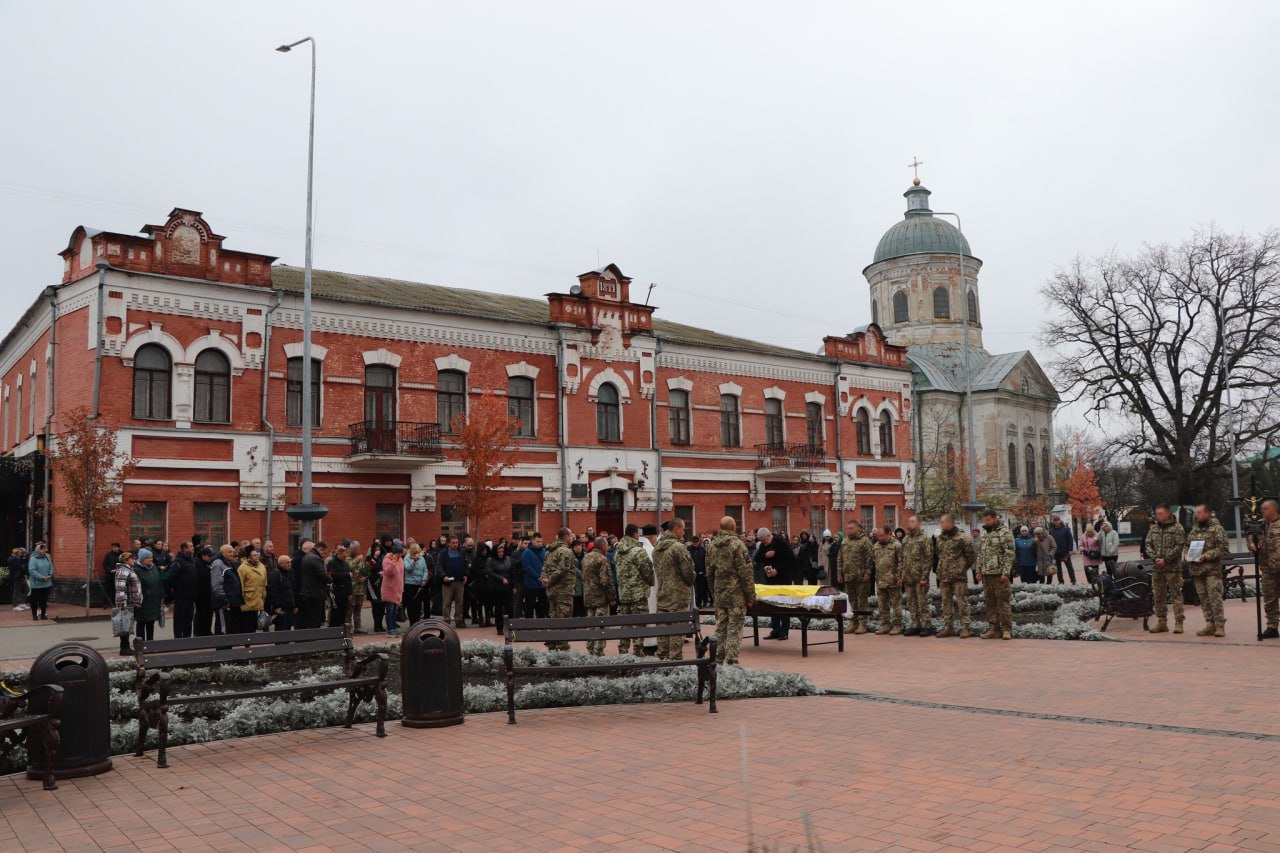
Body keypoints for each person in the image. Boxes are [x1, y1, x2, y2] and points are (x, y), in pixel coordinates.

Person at [705, 516, 756, 666]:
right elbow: (746, 572)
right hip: (736, 595)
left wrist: (714, 593)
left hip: (720, 594)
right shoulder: (737, 545)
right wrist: (750, 596)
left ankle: (717, 659)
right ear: (733, 527)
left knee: (721, 627)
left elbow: (709, 573)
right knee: (735, 627)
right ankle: (732, 661)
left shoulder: (712, 546)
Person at [653, 519, 696, 660]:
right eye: (683, 529)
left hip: (663, 594)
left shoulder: (657, 547)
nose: (684, 533)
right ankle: (675, 659)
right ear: (676, 529)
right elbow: (688, 573)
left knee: (663, 629)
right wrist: (692, 578)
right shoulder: (678, 547)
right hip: (678, 596)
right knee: (677, 629)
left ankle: (662, 657)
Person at [1186, 504, 1229, 637]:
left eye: (1199, 513)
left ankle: (1220, 626)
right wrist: (1187, 555)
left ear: (1207, 513)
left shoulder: (1217, 529)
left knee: (1214, 598)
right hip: (1197, 570)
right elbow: (1187, 545)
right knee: (1203, 599)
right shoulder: (1194, 530)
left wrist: (1207, 556)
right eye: (1196, 513)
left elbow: (1223, 548)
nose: (1196, 515)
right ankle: (1210, 625)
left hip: (1211, 571)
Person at [1144, 503, 1187, 634]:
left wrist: (1166, 560)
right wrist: (1155, 558)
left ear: (1168, 514)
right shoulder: (1154, 529)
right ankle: (1162, 622)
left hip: (1173, 569)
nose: (1157, 516)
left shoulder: (1177, 528)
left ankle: (1179, 623)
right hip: (1157, 569)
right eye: (1157, 514)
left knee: (1176, 596)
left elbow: (1179, 546)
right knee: (1159, 596)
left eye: (1160, 513)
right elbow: (1148, 544)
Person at [614, 524, 654, 654]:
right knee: (639, 625)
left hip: (624, 594)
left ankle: (623, 651)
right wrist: (651, 582)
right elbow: (647, 572)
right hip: (639, 595)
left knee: (625, 625)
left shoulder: (618, 551)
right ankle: (638, 653)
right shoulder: (638, 551)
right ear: (635, 534)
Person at [934, 514, 975, 638]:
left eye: (943, 522)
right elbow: (939, 554)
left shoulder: (963, 538)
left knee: (962, 601)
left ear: (951, 523)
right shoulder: (940, 539)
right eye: (940, 522)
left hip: (958, 576)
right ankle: (948, 627)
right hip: (944, 575)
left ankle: (965, 627)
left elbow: (971, 556)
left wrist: (961, 567)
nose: (941, 525)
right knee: (946, 602)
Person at [977, 510, 1015, 640]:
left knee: (1003, 602)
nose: (985, 522)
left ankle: (1006, 629)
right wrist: (978, 570)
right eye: (984, 520)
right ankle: (994, 628)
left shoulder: (1004, 532)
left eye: (987, 520)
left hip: (999, 574)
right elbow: (981, 554)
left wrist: (1005, 572)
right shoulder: (984, 534)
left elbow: (1009, 553)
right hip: (987, 574)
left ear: (994, 519)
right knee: (990, 602)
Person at [752, 528, 795, 640]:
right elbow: (756, 558)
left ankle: (784, 631)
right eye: (761, 541)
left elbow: (791, 560)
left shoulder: (780, 543)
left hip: (783, 578)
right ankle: (775, 629)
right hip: (770, 579)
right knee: (773, 603)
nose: (764, 543)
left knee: (783, 604)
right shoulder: (763, 546)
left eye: (764, 540)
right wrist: (766, 556)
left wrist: (778, 570)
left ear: (768, 535)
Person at [540, 528, 577, 650]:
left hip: (552, 591)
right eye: (571, 535)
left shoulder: (550, 551)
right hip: (563, 591)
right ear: (566, 536)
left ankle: (552, 644)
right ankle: (562, 647)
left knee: (553, 618)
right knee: (563, 619)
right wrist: (549, 580)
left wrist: (545, 579)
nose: (573, 537)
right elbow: (563, 569)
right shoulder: (565, 551)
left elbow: (544, 568)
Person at [1249, 498, 1280, 640]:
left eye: (1264, 509)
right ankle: (1272, 627)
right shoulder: (1260, 526)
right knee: (1269, 599)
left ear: (1273, 509)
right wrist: (1252, 544)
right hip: (1267, 569)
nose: (1262, 511)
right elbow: (1250, 538)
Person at [838, 521, 873, 635]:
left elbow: (870, 558)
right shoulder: (845, 541)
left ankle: (863, 623)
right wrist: (839, 573)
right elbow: (840, 558)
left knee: (861, 600)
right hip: (848, 576)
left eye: (851, 528)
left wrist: (867, 573)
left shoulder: (865, 541)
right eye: (848, 528)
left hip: (861, 576)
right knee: (852, 600)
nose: (849, 530)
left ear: (858, 528)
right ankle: (854, 622)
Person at [581, 536, 615, 655]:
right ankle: (599, 652)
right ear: (602, 546)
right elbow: (605, 581)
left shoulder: (585, 557)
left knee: (591, 625)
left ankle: (590, 649)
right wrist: (612, 597)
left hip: (588, 597)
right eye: (606, 545)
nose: (608, 547)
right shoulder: (602, 559)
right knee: (601, 626)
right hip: (601, 598)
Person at [899, 517, 932, 635]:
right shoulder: (906, 539)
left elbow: (928, 558)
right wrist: (901, 575)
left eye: (912, 521)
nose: (910, 523)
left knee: (922, 601)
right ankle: (915, 624)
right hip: (908, 576)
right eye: (909, 521)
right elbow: (902, 558)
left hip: (919, 576)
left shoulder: (925, 538)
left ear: (919, 523)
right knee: (911, 602)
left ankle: (926, 625)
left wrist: (924, 576)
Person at [871, 526, 903, 635]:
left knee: (896, 604)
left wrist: (899, 577)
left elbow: (901, 562)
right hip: (880, 581)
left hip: (893, 580)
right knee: (882, 604)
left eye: (882, 536)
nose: (879, 538)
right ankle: (885, 625)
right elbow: (875, 562)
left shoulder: (896, 545)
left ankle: (897, 625)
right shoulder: (876, 546)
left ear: (889, 533)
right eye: (878, 536)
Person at [166, 541, 198, 639]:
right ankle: (179, 638)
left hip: (190, 595)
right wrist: (177, 589)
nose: (193, 548)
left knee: (189, 618)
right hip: (181, 596)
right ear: (184, 549)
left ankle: (187, 637)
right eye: (191, 546)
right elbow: (171, 578)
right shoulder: (178, 562)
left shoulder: (191, 560)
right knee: (180, 618)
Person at [134, 549, 165, 646]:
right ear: (142, 559)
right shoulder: (136, 570)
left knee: (151, 623)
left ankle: (150, 643)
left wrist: (161, 594)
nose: (150, 559)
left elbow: (159, 582)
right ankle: (141, 644)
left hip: (154, 601)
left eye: (151, 557)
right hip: (142, 602)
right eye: (147, 558)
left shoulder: (154, 568)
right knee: (141, 623)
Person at [113, 551, 142, 655]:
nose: (134, 560)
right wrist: (122, 603)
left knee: (127, 624)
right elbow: (121, 587)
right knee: (125, 625)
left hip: (130, 602)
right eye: (132, 558)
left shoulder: (128, 569)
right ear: (126, 560)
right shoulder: (123, 571)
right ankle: (124, 648)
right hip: (126, 603)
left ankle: (126, 647)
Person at [298, 540, 331, 630]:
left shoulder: (306, 557)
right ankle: (312, 639)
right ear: (320, 549)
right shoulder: (315, 558)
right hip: (315, 593)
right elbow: (321, 574)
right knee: (314, 619)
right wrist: (330, 579)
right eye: (324, 553)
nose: (324, 555)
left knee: (308, 618)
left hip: (307, 592)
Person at [210, 544, 241, 635]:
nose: (232, 554)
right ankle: (222, 648)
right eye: (229, 552)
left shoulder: (229, 563)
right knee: (223, 629)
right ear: (223, 553)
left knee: (230, 628)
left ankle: (228, 647)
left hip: (232, 602)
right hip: (223, 604)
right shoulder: (218, 564)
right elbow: (216, 585)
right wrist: (224, 600)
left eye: (232, 551)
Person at [486, 542, 515, 635]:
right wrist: (501, 578)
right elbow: (490, 572)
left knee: (510, 608)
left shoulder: (508, 559)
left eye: (502, 552)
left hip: (508, 588)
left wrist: (514, 586)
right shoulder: (491, 560)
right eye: (499, 552)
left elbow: (511, 572)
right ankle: (499, 627)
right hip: (497, 588)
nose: (501, 554)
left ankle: (510, 627)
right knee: (498, 609)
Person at [439, 536, 469, 626]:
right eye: (453, 543)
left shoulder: (461, 552)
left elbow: (466, 564)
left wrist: (466, 575)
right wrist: (443, 576)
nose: (455, 544)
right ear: (449, 543)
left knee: (459, 602)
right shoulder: (443, 553)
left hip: (459, 581)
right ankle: (446, 621)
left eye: (456, 542)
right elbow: (439, 566)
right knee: (447, 603)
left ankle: (459, 620)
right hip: (448, 582)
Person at [238, 547, 268, 632]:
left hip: (260, 598)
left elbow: (265, 583)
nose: (257, 557)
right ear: (248, 557)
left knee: (258, 624)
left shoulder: (261, 566)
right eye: (254, 555)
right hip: (248, 599)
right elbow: (241, 584)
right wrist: (242, 598)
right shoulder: (242, 568)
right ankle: (247, 643)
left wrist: (264, 595)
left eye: (257, 555)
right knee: (248, 624)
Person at [519, 532, 548, 619]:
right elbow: (527, 567)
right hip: (531, 585)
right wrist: (537, 577)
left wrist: (545, 577)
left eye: (540, 541)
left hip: (542, 585)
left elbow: (546, 565)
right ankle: (529, 626)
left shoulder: (544, 552)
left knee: (542, 606)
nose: (539, 543)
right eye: (537, 541)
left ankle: (541, 625)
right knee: (529, 607)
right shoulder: (526, 552)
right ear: (532, 541)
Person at [403, 543, 431, 626]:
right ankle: (412, 623)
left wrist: (424, 579)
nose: (416, 554)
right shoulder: (406, 559)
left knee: (418, 605)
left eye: (417, 552)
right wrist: (414, 561)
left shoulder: (422, 559)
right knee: (411, 605)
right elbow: (408, 569)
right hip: (410, 584)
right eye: (414, 553)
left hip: (419, 584)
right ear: (411, 552)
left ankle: (417, 622)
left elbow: (425, 570)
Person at [266, 554, 297, 631]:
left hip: (289, 606)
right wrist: (277, 606)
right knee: (281, 628)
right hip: (281, 608)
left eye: (290, 562)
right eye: (287, 562)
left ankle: (286, 642)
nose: (290, 564)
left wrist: (294, 605)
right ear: (281, 564)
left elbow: (292, 590)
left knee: (288, 628)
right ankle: (280, 643)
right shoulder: (275, 574)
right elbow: (273, 591)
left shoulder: (290, 573)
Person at [381, 543, 405, 637]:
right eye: (398, 553)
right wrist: (393, 563)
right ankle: (390, 628)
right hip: (389, 589)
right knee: (390, 610)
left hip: (397, 589)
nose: (400, 555)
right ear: (393, 553)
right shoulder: (387, 560)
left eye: (400, 553)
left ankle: (394, 627)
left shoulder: (401, 560)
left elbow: (401, 575)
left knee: (395, 610)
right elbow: (388, 572)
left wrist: (402, 588)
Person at [26, 542, 53, 621]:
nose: (44, 550)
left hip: (47, 583)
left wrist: (50, 575)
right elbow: (32, 570)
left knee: (44, 600)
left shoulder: (47, 557)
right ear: (38, 550)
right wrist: (41, 577)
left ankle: (43, 614)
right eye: (42, 549)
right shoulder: (33, 559)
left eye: (44, 548)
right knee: (34, 600)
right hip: (36, 584)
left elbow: (51, 566)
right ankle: (34, 615)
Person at [327, 544, 352, 628]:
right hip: (336, 591)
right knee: (335, 613)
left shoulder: (345, 564)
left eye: (346, 555)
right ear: (339, 554)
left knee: (343, 613)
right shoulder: (332, 563)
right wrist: (346, 574)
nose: (345, 557)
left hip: (345, 592)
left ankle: (341, 630)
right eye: (344, 555)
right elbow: (331, 576)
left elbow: (349, 580)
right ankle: (333, 629)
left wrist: (349, 592)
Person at [346, 541, 368, 634]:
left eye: (357, 549)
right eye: (355, 549)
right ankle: (348, 628)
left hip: (360, 588)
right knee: (349, 610)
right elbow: (349, 566)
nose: (356, 550)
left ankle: (358, 627)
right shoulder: (347, 557)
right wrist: (357, 560)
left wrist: (365, 577)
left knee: (358, 609)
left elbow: (364, 569)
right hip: (351, 588)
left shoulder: (360, 557)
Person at [193, 546, 215, 636]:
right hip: (201, 594)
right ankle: (200, 632)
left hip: (208, 594)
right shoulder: (198, 564)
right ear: (203, 556)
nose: (211, 558)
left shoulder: (207, 564)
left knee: (208, 614)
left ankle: (207, 631)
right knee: (202, 614)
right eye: (209, 556)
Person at [1048, 517, 1077, 584]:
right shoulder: (1051, 530)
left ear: (1060, 521)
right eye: (1054, 520)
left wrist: (1070, 549)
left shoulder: (1066, 529)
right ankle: (1061, 581)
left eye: (1057, 520)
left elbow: (1070, 540)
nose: (1056, 522)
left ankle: (1073, 580)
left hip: (1065, 552)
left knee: (1069, 567)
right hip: (1056, 552)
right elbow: (1050, 541)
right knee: (1058, 568)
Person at [690, 536, 710, 608]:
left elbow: (706, 561)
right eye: (694, 542)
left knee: (701, 589)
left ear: (699, 541)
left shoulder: (702, 550)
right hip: (692, 573)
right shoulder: (688, 550)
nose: (695, 543)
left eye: (696, 542)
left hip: (701, 573)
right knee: (693, 590)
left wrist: (705, 571)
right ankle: (693, 604)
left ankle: (699, 603)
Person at [8, 546, 28, 612]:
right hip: (17, 577)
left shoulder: (17, 559)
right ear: (16, 553)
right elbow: (21, 568)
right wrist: (24, 568)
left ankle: (21, 603)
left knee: (26, 589)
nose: (21, 553)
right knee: (16, 591)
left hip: (20, 576)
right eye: (20, 552)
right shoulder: (15, 559)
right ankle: (15, 605)